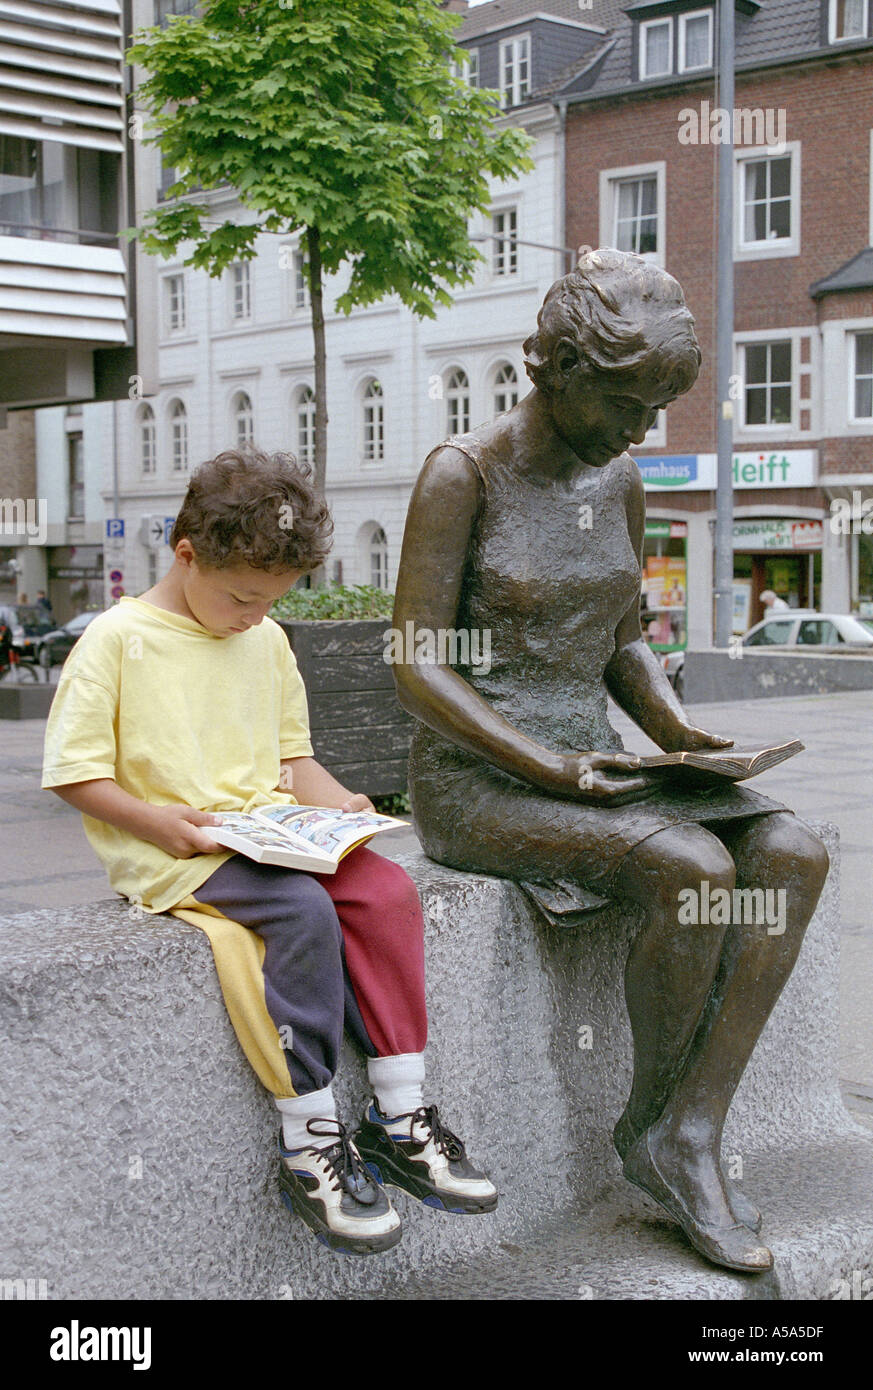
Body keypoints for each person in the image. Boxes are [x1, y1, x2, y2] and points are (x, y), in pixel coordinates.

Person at [392, 249, 828, 1275]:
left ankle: (686, 1128)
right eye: (628, 403)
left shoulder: (619, 477)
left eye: (655, 409)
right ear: (565, 370)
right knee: (690, 867)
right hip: (478, 781)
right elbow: (418, 669)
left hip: (592, 767)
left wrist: (678, 733)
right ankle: (652, 1127)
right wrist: (547, 765)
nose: (639, 431)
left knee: (796, 851)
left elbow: (625, 636)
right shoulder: (466, 473)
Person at [42, 449, 497, 1256]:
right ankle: (309, 1139)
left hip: (268, 831)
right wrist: (159, 823)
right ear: (186, 555)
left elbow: (292, 761)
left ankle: (398, 1111)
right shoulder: (118, 638)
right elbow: (76, 775)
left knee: (386, 891)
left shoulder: (267, 639)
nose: (254, 615)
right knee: (301, 912)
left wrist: (342, 807)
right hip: (176, 849)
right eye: (242, 597)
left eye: (272, 602)